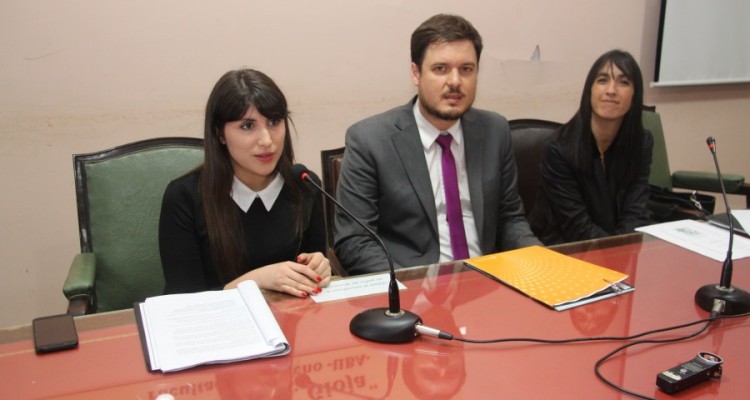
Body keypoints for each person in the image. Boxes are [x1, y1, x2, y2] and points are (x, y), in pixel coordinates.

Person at [334, 14, 541, 275]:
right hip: (413, 288)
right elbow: (355, 241)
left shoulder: (495, 130)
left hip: (487, 285)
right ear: (416, 73)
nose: (455, 81)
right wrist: (406, 288)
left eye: (466, 69)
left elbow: (510, 219)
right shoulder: (369, 140)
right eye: (440, 68)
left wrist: (542, 262)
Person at [159, 68, 331, 297]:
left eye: (274, 121)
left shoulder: (304, 184)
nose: (267, 140)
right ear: (220, 134)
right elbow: (183, 301)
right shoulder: (184, 197)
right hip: (216, 326)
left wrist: (318, 266)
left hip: (290, 321)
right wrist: (259, 279)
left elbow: (312, 282)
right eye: (247, 126)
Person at [529, 50, 653, 245]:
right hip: (563, 251)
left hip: (616, 249)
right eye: (603, 80)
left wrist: (622, 250)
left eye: (623, 82)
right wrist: (616, 253)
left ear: (635, 95)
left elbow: (635, 212)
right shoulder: (557, 149)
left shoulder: (641, 143)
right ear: (590, 90)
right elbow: (576, 226)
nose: (611, 90)